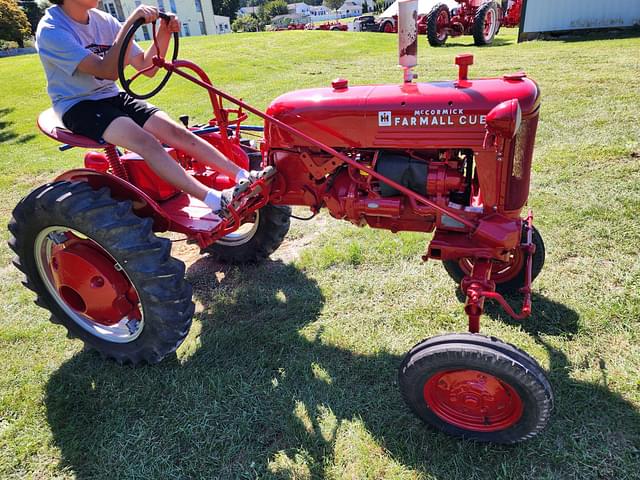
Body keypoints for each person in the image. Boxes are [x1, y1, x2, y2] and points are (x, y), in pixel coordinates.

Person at [35, 0, 273, 216]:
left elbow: (146, 67)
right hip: (78, 105)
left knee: (176, 132)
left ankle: (244, 177)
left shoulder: (102, 20)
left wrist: (164, 33)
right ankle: (214, 200)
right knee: (146, 142)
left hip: (111, 96)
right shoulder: (52, 30)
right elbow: (106, 70)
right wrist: (130, 25)